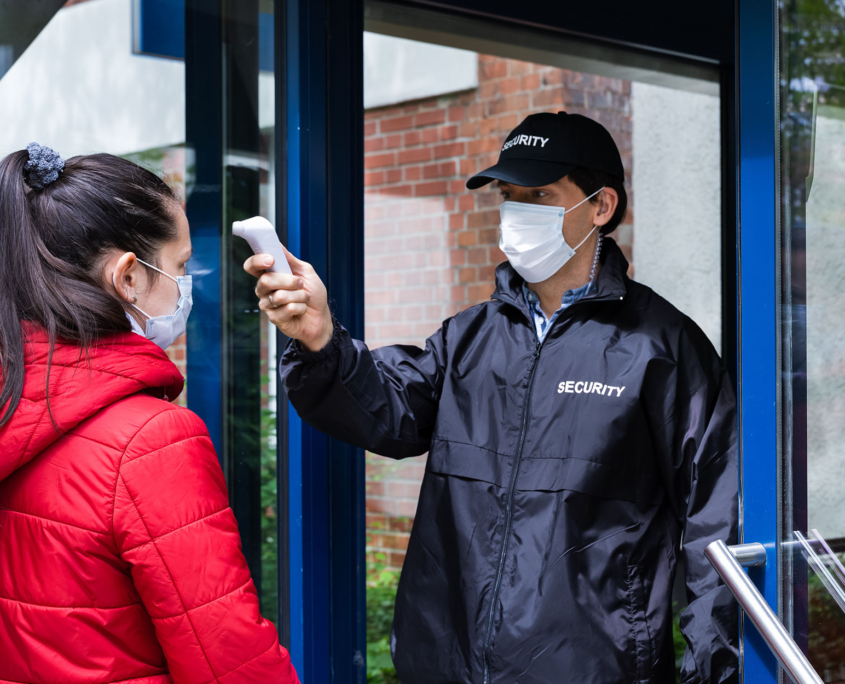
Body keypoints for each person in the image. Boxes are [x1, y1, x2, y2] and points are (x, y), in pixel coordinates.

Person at [246, 112, 738, 683]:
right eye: (509, 195)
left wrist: (709, 673)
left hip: (590, 670)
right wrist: (320, 339)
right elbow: (388, 412)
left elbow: (719, 529)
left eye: (539, 194)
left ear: (601, 207)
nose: (517, 212)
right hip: (445, 662)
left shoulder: (661, 347)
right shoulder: (468, 337)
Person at [0, 144, 299, 684]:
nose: (189, 286)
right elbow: (227, 660)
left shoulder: (11, 403)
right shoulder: (150, 441)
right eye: (181, 266)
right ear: (128, 277)